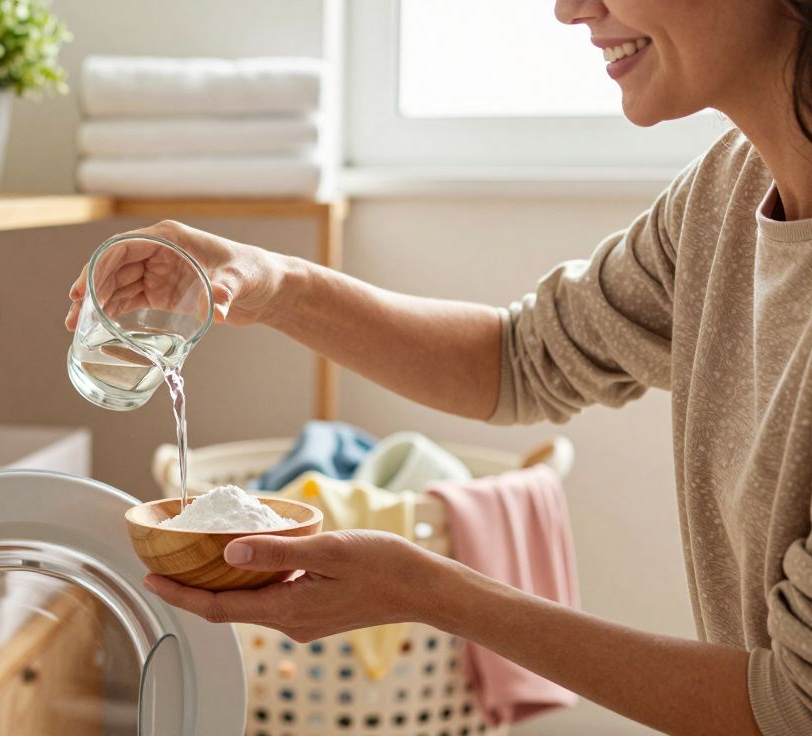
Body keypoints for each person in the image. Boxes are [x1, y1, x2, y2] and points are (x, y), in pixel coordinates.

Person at [65, 1, 812, 733]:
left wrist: (430, 591)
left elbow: (790, 706)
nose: (570, 9)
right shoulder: (726, 192)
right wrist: (274, 283)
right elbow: (521, 359)